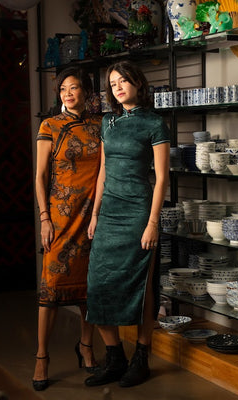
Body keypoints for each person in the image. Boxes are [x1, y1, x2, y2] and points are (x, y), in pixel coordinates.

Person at [84, 60, 170, 388]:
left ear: (138, 83)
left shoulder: (154, 123)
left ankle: (142, 357)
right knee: (98, 285)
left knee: (141, 286)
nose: (118, 87)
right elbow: (103, 173)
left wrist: (152, 223)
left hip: (138, 213)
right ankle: (115, 356)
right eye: (113, 83)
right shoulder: (108, 122)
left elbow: (161, 179)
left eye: (124, 81)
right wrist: (94, 215)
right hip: (108, 215)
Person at [33, 66, 102, 391]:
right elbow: (40, 176)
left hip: (92, 216)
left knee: (90, 289)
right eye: (63, 89)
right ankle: (42, 356)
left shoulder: (100, 126)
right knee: (51, 289)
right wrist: (44, 218)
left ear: (86, 92)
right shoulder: (50, 125)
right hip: (60, 218)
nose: (68, 93)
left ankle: (86, 347)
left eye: (74, 88)